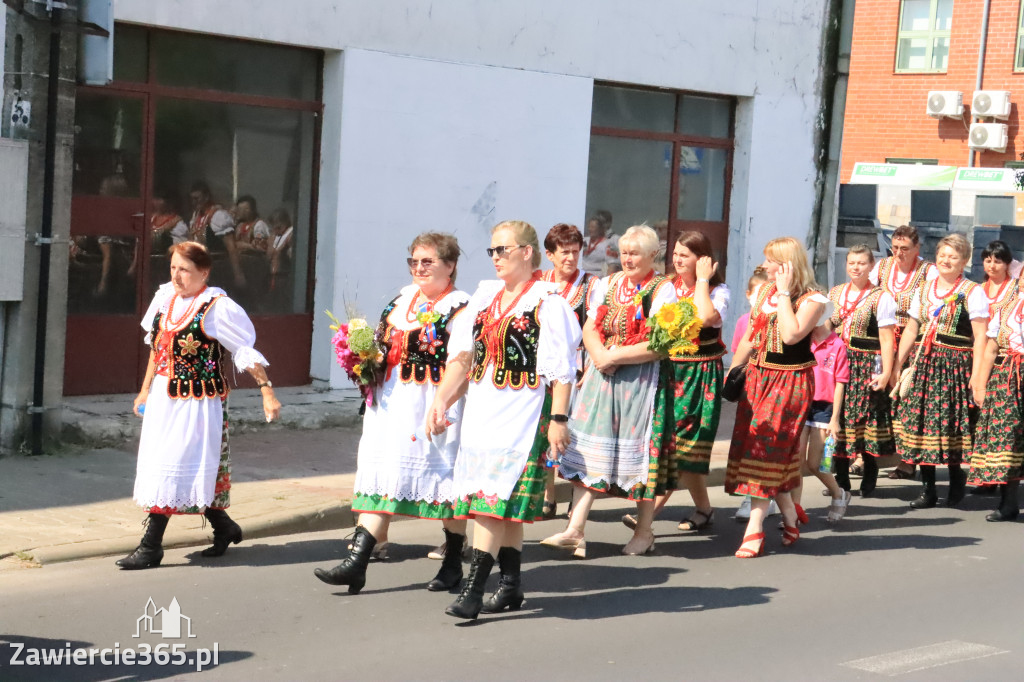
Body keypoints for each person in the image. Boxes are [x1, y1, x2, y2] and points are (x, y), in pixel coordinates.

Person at [426, 220, 581, 620]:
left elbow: (561, 370)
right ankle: (510, 585)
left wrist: (559, 419)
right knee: (500, 503)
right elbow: (465, 357)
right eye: (492, 251)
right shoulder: (485, 297)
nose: (495, 257)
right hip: (483, 409)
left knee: (490, 505)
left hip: (524, 412)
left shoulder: (549, 302)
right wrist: (442, 400)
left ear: (526, 252)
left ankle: (475, 589)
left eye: (503, 250)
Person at [313, 233, 471, 594]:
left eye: (427, 261)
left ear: (450, 266)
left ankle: (451, 564)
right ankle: (357, 562)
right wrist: (366, 358)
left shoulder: (461, 307)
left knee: (445, 482)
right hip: (389, 401)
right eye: (414, 261)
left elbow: (462, 361)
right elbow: (386, 345)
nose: (419, 268)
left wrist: (442, 402)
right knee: (379, 472)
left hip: (431, 401)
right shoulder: (403, 299)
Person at [118, 241, 281, 570]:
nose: (177, 276)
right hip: (165, 396)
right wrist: (144, 391)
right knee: (171, 467)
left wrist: (267, 390)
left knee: (177, 463)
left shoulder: (216, 307)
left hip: (198, 400)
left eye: (184, 270)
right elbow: (158, 350)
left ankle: (151, 546)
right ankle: (224, 526)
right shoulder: (165, 299)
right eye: (173, 268)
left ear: (204, 272)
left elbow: (243, 351)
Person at [543, 225, 677, 557]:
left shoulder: (664, 291)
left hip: (644, 382)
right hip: (603, 377)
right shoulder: (608, 283)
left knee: (645, 456)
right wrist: (600, 356)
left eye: (635, 253)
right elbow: (590, 325)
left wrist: (613, 355)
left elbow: (662, 343)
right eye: (624, 253)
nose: (627, 259)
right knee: (588, 449)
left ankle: (644, 531)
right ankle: (575, 529)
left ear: (652, 256)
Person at [621, 230, 729, 534]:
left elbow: (706, 317)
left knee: (685, 445)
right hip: (670, 372)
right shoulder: (666, 287)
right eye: (676, 254)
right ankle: (704, 509)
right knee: (675, 446)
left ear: (703, 260)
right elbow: (654, 326)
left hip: (701, 375)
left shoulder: (720, 291)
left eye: (686, 255)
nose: (678, 260)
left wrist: (704, 280)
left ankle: (649, 515)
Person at [725, 237, 827, 558]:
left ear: (787, 265)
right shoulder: (765, 293)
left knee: (767, 450)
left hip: (790, 380)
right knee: (763, 450)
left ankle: (754, 530)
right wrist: (733, 371)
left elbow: (792, 334)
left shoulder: (814, 299)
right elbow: (752, 338)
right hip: (757, 377)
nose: (764, 266)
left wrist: (784, 293)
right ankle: (790, 515)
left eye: (771, 261)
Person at [892, 234, 988, 509]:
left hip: (955, 365)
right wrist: (898, 364)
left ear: (964, 262)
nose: (946, 260)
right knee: (922, 424)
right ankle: (928, 489)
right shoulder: (924, 288)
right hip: (925, 363)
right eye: (943, 255)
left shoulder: (972, 291)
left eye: (953, 257)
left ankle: (957, 482)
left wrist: (977, 374)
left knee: (950, 423)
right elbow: (912, 328)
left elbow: (980, 336)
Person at [827, 245, 897, 500]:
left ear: (871, 266)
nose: (856, 267)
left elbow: (887, 339)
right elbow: (825, 329)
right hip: (839, 361)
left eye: (861, 263)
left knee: (865, 420)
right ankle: (841, 478)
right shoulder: (835, 293)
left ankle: (869, 474)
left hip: (867, 362)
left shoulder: (881, 297)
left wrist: (887, 372)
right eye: (852, 262)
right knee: (840, 418)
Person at [539, 223, 596, 519]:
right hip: (544, 369)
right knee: (545, 430)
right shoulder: (539, 282)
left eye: (575, 252)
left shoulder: (591, 285)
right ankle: (548, 495)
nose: (571, 258)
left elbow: (597, 327)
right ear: (550, 254)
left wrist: (592, 366)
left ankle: (576, 495)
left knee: (575, 435)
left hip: (578, 369)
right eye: (564, 253)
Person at [870, 225, 937, 481]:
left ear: (917, 248)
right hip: (882, 340)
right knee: (875, 392)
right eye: (895, 248)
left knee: (907, 398)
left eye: (905, 249)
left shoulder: (927, 271)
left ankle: (908, 461)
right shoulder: (883, 267)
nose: (898, 253)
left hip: (914, 341)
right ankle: (868, 455)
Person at [969, 272, 1024, 521]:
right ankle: (1008, 502)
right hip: (1004, 380)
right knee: (1006, 439)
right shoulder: (1006, 308)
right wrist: (980, 385)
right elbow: (991, 349)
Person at [791, 324, 850, 522]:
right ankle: (794, 512)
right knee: (796, 462)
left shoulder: (837, 344)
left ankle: (838, 493)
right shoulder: (802, 339)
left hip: (824, 409)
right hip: (802, 403)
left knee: (815, 464)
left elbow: (840, 382)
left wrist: (835, 419)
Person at [188, 181, 246, 290]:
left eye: (197, 198)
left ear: (206, 197)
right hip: (200, 268)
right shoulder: (196, 216)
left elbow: (231, 247)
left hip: (217, 269)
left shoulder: (218, 215)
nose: (194, 202)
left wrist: (238, 273)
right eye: (192, 199)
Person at [580, 209, 618, 277]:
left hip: (596, 277)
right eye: (589, 227)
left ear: (600, 229)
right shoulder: (584, 241)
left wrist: (607, 283)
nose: (590, 229)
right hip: (581, 274)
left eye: (593, 227)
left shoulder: (608, 244)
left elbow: (612, 265)